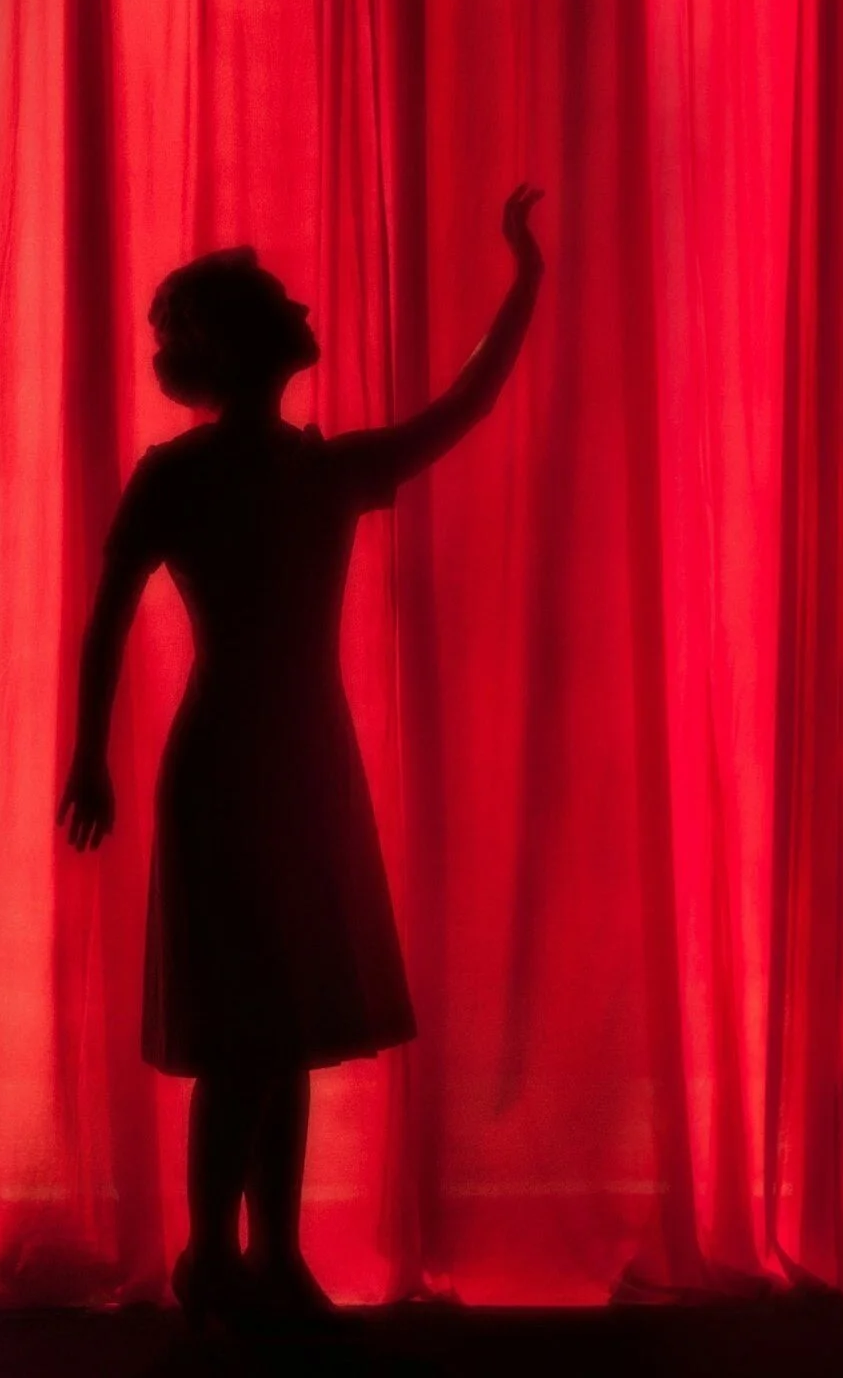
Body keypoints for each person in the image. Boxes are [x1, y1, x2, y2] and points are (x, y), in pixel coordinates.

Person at [58, 187, 545, 1329]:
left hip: (296, 761)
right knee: (247, 1029)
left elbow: (466, 406)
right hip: (234, 764)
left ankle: (264, 1255)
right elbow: (106, 618)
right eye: (277, 300)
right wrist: (86, 755)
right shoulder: (189, 475)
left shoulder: (312, 467)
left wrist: (524, 278)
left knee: (281, 1032)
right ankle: (214, 1258)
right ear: (231, 341)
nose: (301, 303)